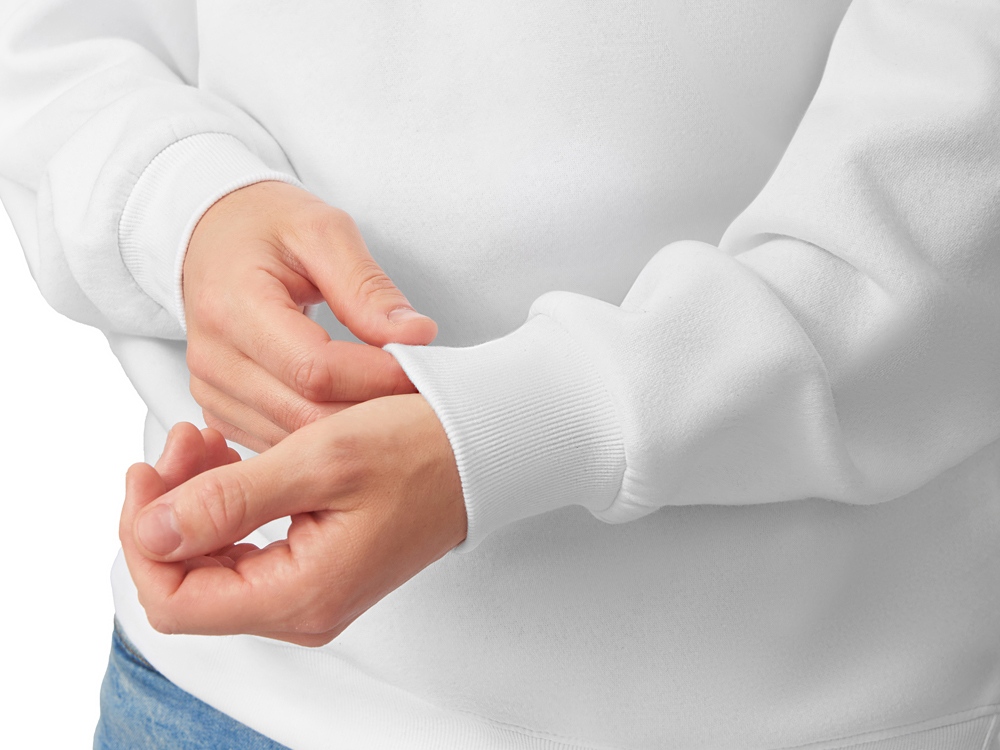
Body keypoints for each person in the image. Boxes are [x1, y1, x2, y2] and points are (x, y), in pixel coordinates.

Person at [2, 0, 1000, 747]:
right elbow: (49, 37)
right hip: (219, 695)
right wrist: (181, 208)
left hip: (819, 713)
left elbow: (949, 204)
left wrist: (519, 430)